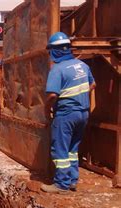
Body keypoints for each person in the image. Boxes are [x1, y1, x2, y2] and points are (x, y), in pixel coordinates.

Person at [41, 32, 96, 194]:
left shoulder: (57, 69)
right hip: (83, 114)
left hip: (66, 114)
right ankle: (72, 180)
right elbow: (93, 85)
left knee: (60, 149)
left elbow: (52, 95)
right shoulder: (82, 65)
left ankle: (61, 184)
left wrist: (46, 109)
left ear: (55, 51)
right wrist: (79, 95)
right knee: (72, 149)